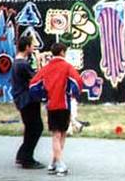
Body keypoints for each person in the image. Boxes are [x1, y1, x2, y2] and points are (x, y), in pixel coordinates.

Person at [29, 43, 83, 176]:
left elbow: (33, 85)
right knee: (61, 135)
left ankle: (54, 162)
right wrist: (74, 93)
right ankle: (59, 164)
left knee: (56, 134)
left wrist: (43, 96)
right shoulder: (67, 67)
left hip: (51, 105)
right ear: (63, 52)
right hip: (64, 105)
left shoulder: (46, 68)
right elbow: (78, 82)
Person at [11, 36, 45, 169]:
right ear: (26, 47)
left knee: (30, 128)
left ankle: (22, 155)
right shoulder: (22, 64)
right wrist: (38, 60)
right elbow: (37, 78)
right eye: (31, 46)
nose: (33, 48)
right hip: (28, 101)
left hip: (22, 99)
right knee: (36, 128)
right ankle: (27, 158)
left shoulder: (17, 62)